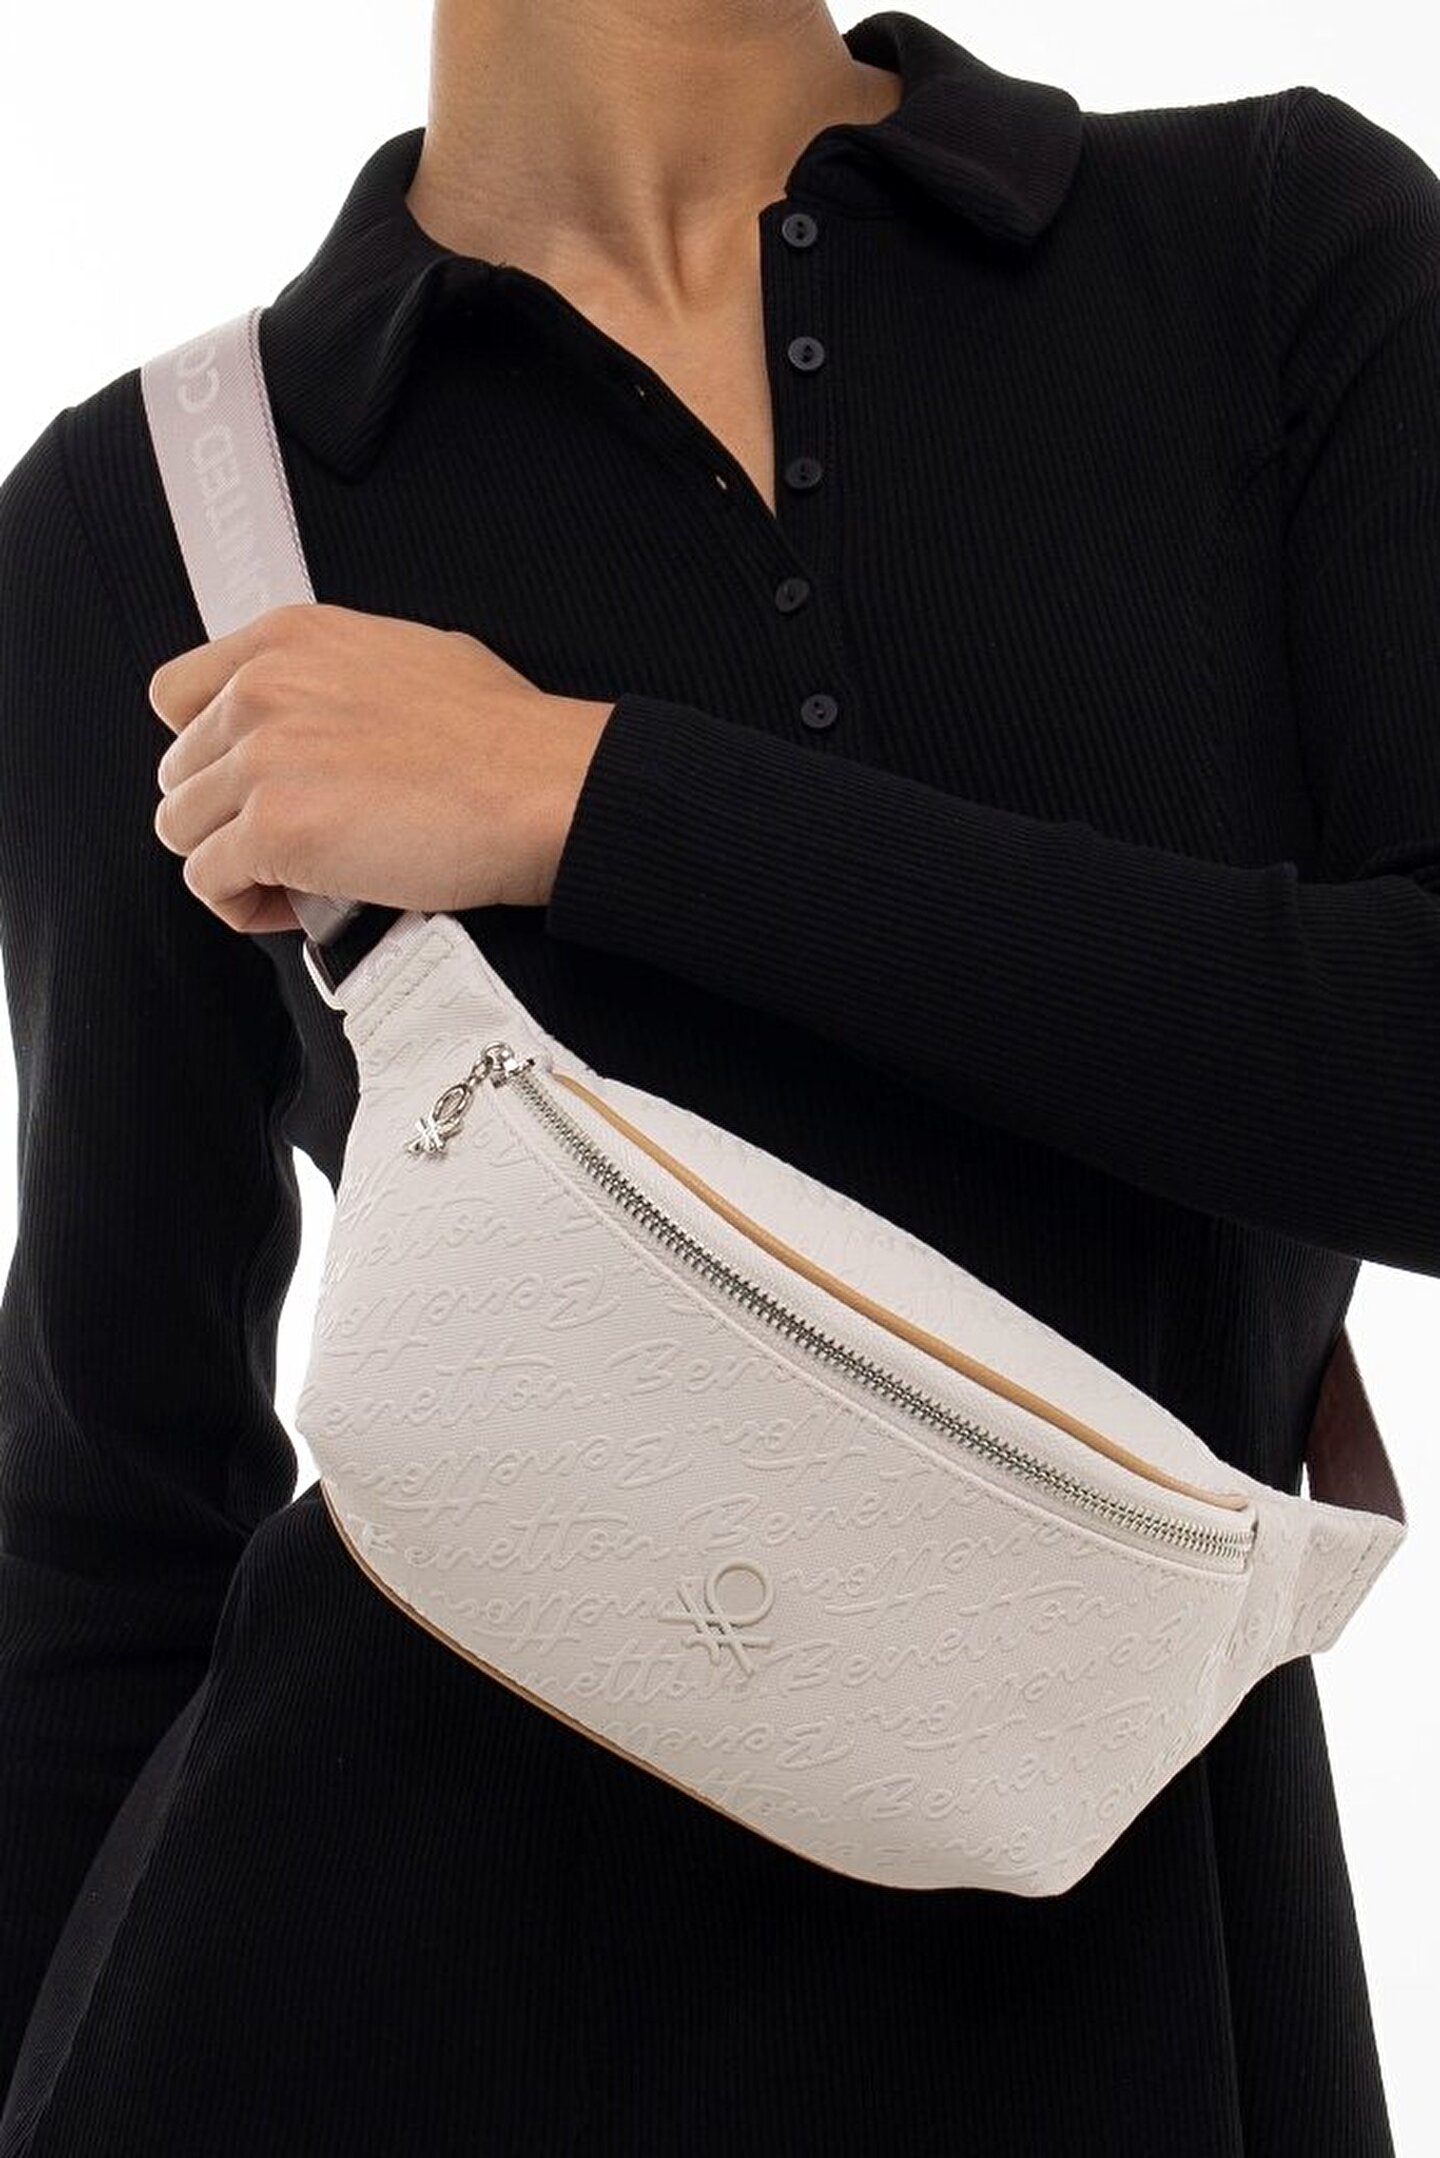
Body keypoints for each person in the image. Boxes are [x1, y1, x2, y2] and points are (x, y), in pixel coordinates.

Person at [0, 3, 1436, 2150]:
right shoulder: (151, 519)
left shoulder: (1265, 253)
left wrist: (580, 793)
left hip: (1155, 2019)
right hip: (346, 2030)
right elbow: (107, 1521)